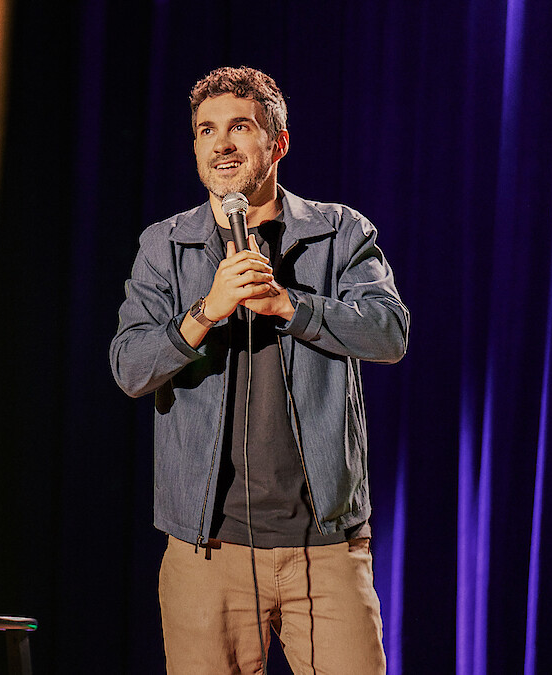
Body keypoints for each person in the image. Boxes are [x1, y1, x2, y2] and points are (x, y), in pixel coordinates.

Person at [110, 66, 409, 674]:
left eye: (240, 127)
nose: (221, 144)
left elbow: (389, 333)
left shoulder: (338, 233)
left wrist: (290, 306)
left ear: (278, 143)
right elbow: (130, 368)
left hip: (325, 547)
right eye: (206, 130)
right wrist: (205, 312)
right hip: (208, 549)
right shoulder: (164, 246)